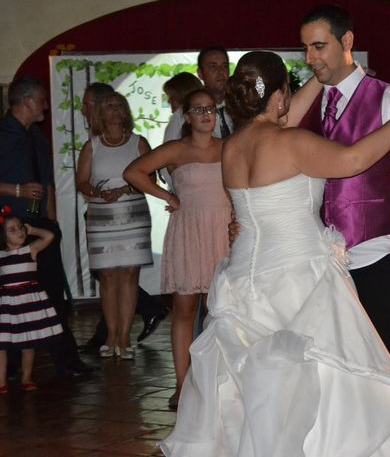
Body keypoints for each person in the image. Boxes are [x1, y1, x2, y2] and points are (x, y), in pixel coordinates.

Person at [159, 50, 390, 457]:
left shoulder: (232, 147)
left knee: (261, 387)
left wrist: (323, 73)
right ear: (281, 96)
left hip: (247, 278)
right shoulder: (292, 142)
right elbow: (354, 159)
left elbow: (280, 117)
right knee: (326, 377)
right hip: (297, 275)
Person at [298, 4, 390, 409]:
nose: (311, 58)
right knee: (331, 368)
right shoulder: (305, 102)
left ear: (347, 42)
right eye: (306, 49)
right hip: (319, 261)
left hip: (373, 256)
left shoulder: (389, 98)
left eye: (318, 47)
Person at [124, 88, 232, 409]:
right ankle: (182, 383)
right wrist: (168, 197)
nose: (205, 115)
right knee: (184, 310)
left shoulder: (228, 147)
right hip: (189, 232)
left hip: (223, 232)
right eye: (198, 110)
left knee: (220, 311)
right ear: (185, 116)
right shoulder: (175, 149)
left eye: (210, 109)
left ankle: (219, 380)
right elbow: (132, 172)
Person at [0, 76, 91, 378]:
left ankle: (66, 361)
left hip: (40, 226)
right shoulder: (2, 135)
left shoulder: (36, 136)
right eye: (41, 99)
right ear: (25, 101)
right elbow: (23, 187)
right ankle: (10, 365)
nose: (46, 106)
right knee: (11, 297)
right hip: (9, 228)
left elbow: (47, 182)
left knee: (51, 294)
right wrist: (17, 191)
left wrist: (52, 220)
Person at [79, 82, 168, 349]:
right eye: (109, 106)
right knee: (107, 276)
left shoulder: (138, 142)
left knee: (130, 275)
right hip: (101, 216)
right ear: (100, 114)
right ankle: (111, 337)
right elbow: (82, 182)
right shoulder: (91, 146)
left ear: (126, 111)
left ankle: (125, 339)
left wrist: (126, 188)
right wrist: (98, 192)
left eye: (119, 105)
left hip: (133, 215)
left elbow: (151, 177)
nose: (115, 110)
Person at [0, 210, 63, 392]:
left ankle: (26, 377)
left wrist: (33, 229)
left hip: (29, 302)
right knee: (2, 345)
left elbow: (50, 236)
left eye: (20, 228)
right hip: (8, 304)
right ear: (3, 235)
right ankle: (1, 382)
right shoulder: (1, 256)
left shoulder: (30, 250)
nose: (19, 232)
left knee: (28, 343)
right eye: (12, 230)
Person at [159, 73, 204, 190]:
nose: (168, 101)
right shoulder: (209, 114)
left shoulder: (179, 116)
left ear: (181, 95)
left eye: (171, 96)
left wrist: (175, 194)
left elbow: (166, 158)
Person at [197, 45, 233, 138]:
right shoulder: (187, 113)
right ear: (200, 73)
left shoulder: (241, 108)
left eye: (225, 66)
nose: (221, 71)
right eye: (213, 66)